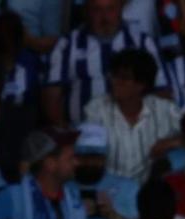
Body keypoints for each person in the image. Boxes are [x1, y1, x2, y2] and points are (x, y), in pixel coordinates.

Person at [41, 0, 162, 128]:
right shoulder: (66, 45)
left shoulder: (143, 43)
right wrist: (67, 133)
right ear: (86, 11)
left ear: (121, 10)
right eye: (97, 10)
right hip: (83, 133)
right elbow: (51, 97)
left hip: (135, 130)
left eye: (111, 9)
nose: (105, 17)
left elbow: (162, 91)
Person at [83, 48, 179, 185]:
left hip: (150, 193)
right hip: (108, 192)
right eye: (114, 75)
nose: (116, 81)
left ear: (141, 84)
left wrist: (173, 142)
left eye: (124, 78)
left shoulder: (165, 109)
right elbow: (88, 159)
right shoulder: (96, 109)